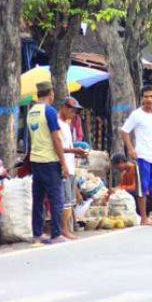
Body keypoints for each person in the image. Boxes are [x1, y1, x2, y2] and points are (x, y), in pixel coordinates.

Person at [27, 81, 71, 244]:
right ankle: (56, 234)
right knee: (56, 198)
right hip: (49, 161)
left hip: (35, 160)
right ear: (51, 94)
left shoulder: (31, 111)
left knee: (38, 198)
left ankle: (37, 233)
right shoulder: (50, 111)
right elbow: (56, 139)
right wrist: (64, 163)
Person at [121, 84, 152, 226]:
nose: (149, 99)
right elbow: (124, 132)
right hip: (142, 157)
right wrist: (130, 149)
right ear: (142, 98)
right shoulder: (136, 114)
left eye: (151, 96)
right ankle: (143, 218)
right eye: (146, 96)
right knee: (143, 188)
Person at [58, 97, 89, 240]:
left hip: (70, 166)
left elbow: (68, 147)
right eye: (71, 109)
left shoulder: (67, 124)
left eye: (75, 110)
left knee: (70, 201)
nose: (73, 113)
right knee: (65, 201)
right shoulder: (58, 124)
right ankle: (64, 230)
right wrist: (74, 152)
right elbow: (58, 148)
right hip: (63, 166)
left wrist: (76, 153)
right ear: (64, 108)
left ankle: (66, 229)